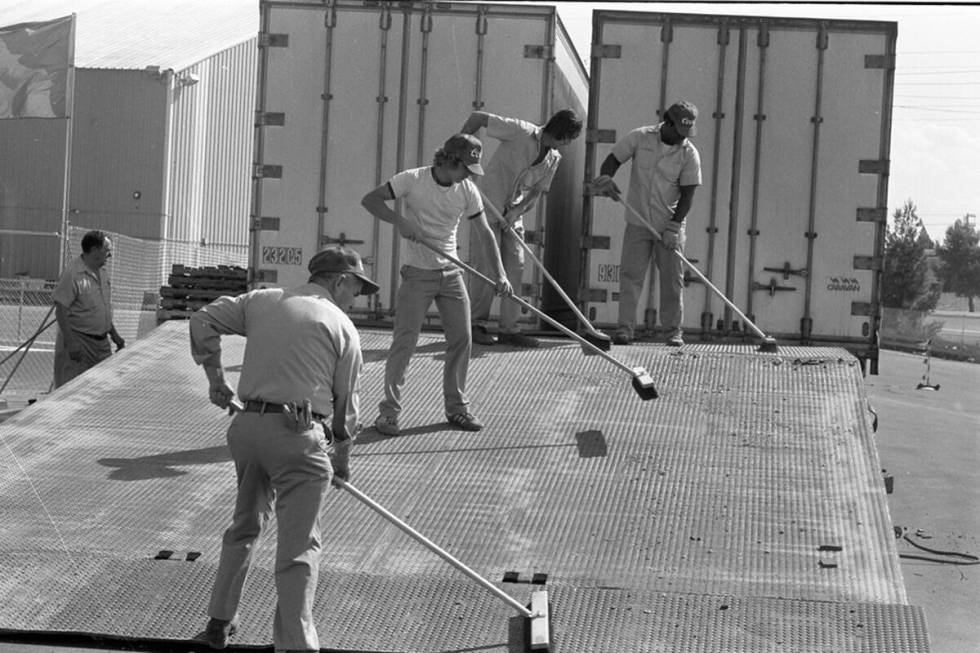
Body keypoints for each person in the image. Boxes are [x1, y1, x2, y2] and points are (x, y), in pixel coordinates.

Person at [189, 245, 378, 652]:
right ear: (340, 281)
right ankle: (295, 644)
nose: (356, 297)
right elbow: (346, 409)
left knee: (244, 525)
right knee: (299, 545)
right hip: (297, 438)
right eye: (357, 288)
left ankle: (218, 623)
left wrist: (216, 379)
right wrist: (342, 460)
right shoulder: (342, 326)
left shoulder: (262, 300)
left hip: (248, 430)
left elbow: (203, 319)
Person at [361, 133, 511, 437]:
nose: (469, 175)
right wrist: (400, 221)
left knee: (462, 339)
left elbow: (485, 233)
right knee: (405, 342)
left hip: (451, 273)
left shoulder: (467, 190)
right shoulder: (412, 180)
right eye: (466, 168)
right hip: (417, 273)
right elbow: (370, 200)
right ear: (450, 160)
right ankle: (389, 414)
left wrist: (501, 274)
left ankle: (457, 409)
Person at [460, 108, 584, 347]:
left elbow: (537, 192)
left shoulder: (553, 159)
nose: (569, 144)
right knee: (486, 267)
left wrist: (517, 211)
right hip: (487, 207)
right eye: (569, 138)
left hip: (512, 215)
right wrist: (460, 151)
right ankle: (476, 325)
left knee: (515, 267)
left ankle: (509, 329)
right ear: (562, 132)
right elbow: (478, 117)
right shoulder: (520, 130)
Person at [592, 100, 702, 347]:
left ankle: (673, 332)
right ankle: (624, 330)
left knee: (672, 281)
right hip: (638, 221)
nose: (682, 138)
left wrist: (674, 228)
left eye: (687, 133)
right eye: (679, 131)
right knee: (631, 276)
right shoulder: (640, 137)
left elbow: (688, 196)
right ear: (667, 122)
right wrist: (606, 178)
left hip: (670, 225)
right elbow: (613, 160)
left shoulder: (689, 154)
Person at [51, 230, 125, 388]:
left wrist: (114, 334)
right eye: (107, 251)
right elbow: (61, 310)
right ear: (94, 250)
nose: (109, 255)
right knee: (73, 390)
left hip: (102, 344)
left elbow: (102, 309)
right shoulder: (73, 274)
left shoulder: (103, 275)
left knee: (101, 391)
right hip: (80, 343)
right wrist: (71, 342)